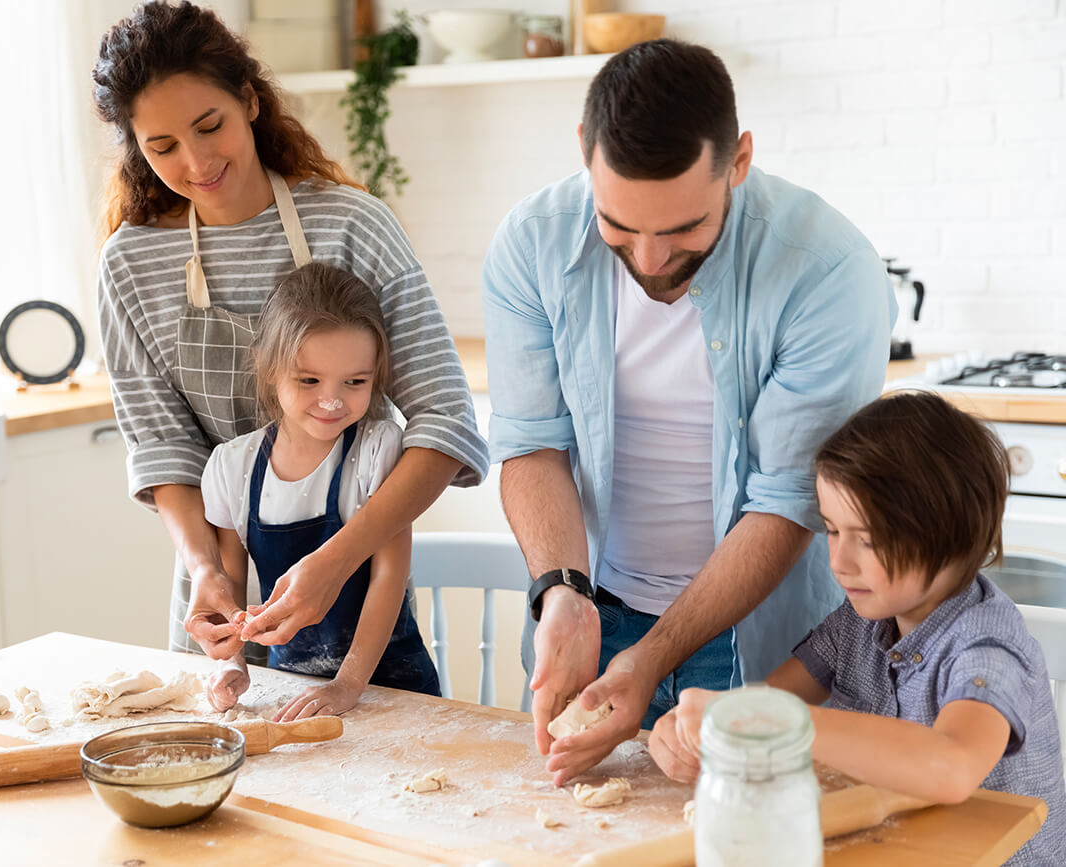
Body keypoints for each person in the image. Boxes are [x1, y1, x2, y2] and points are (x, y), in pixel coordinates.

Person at [481, 37, 895, 785]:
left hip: (768, 642)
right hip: (592, 616)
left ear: (737, 160)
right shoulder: (531, 243)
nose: (647, 260)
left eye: (680, 231)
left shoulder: (828, 270)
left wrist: (654, 656)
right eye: (619, 226)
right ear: (584, 150)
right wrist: (563, 593)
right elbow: (532, 445)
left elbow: (787, 500)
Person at [92, 0, 487, 669]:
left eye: (209, 125)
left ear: (248, 100)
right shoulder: (129, 265)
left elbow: (445, 422)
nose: (195, 161)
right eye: (162, 147)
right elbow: (165, 450)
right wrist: (208, 571)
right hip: (221, 611)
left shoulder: (353, 225)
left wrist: (337, 559)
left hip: (356, 596)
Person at [651, 391, 1066, 866]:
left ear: (952, 535)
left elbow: (952, 765)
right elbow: (771, 701)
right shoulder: (859, 624)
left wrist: (773, 723)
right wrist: (708, 731)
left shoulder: (987, 646)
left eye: (867, 540)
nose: (838, 562)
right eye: (832, 529)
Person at [196, 262, 440, 717]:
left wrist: (347, 686)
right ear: (268, 368)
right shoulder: (233, 468)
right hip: (295, 693)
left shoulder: (377, 450)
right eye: (309, 380)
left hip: (393, 688)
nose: (332, 400)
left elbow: (389, 578)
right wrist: (231, 662)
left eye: (355, 382)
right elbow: (230, 586)